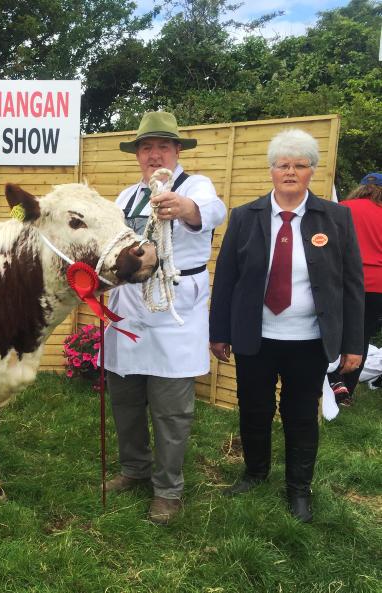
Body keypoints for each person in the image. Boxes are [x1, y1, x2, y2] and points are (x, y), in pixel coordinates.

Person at [209, 129, 364, 522]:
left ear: (312, 171)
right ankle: (255, 473)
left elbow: (351, 284)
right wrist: (219, 332)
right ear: (272, 171)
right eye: (283, 165)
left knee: (299, 414)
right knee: (254, 409)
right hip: (255, 336)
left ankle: (298, 489)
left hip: (309, 340)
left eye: (300, 165)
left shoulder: (337, 217)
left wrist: (354, 342)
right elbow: (226, 277)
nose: (291, 171)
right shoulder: (245, 216)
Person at [101, 111, 227, 524]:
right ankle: (133, 469)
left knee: (171, 409)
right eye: (146, 148)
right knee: (126, 400)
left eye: (163, 147)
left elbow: (212, 211)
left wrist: (184, 206)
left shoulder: (196, 186)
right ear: (137, 155)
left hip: (174, 309)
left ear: (176, 151)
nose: (154, 155)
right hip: (127, 308)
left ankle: (168, 489)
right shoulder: (126, 197)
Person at [325, 173, 382, 405]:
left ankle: (333, 380)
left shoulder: (342, 208)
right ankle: (347, 391)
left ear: (361, 188)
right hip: (377, 284)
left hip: (343, 280)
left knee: (333, 332)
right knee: (361, 336)